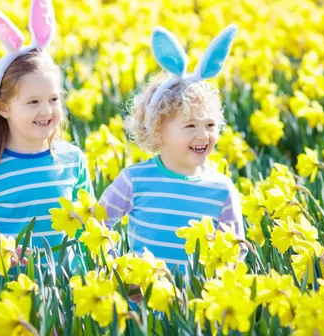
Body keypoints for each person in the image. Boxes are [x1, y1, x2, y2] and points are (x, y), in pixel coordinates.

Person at [0, 0, 93, 268]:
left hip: (66, 292)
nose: (47, 110)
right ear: (3, 108)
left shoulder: (72, 160)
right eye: (33, 102)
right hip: (9, 290)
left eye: (54, 99)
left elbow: (90, 226)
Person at [99, 24, 245, 276]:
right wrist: (120, 272)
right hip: (143, 303)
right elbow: (99, 225)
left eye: (210, 124)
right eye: (190, 125)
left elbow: (236, 250)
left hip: (196, 306)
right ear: (158, 132)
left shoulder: (222, 189)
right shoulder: (134, 180)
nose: (203, 135)